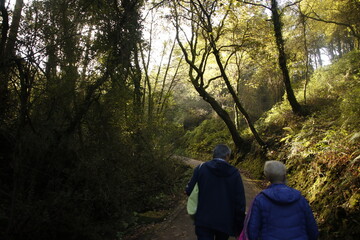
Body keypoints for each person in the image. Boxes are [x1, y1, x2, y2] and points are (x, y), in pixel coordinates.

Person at [186, 144, 246, 240]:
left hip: (203, 220)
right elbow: (240, 202)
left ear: (213, 155)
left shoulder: (201, 169)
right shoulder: (234, 173)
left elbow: (189, 190)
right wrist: (239, 226)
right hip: (225, 221)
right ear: (227, 156)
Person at [246, 160, 319, 240]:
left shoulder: (261, 200)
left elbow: (252, 231)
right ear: (284, 176)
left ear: (267, 177)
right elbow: (312, 229)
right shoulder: (300, 199)